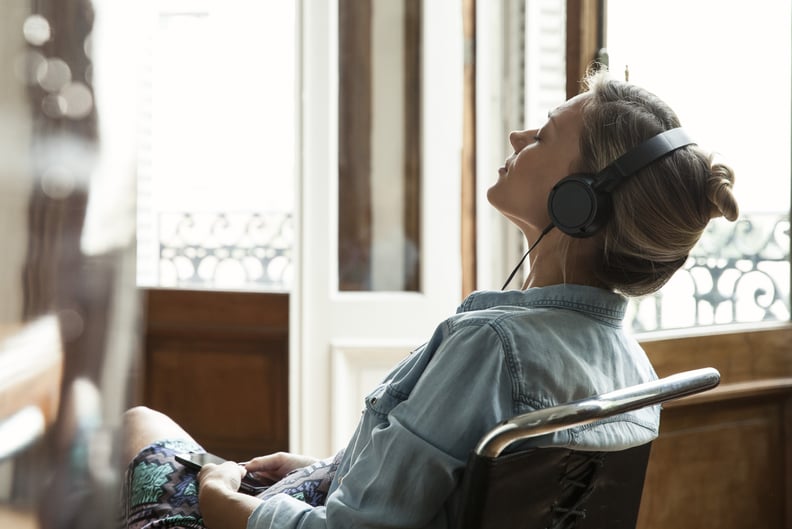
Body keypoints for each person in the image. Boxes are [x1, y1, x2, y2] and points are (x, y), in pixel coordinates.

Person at [119, 68, 739, 529]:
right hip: (322, 495)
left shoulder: (492, 348)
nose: (520, 134)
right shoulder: (629, 366)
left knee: (134, 426)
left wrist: (226, 505)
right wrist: (331, 469)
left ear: (579, 203)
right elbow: (453, 499)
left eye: (545, 136)